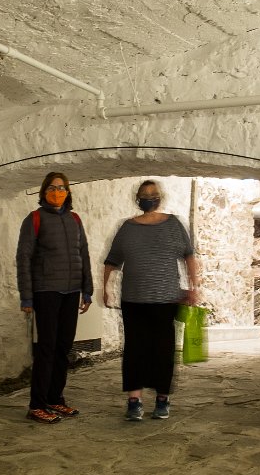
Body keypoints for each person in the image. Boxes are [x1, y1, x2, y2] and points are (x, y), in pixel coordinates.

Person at [102, 180, 200, 421]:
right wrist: (105, 288)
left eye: (152, 194)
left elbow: (189, 256)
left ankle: (162, 399)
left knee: (163, 350)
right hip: (133, 300)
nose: (149, 197)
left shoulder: (173, 225)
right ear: (138, 199)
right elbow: (112, 261)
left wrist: (193, 287)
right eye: (145, 194)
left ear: (159, 197)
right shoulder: (127, 228)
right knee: (135, 349)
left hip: (165, 300)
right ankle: (134, 401)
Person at [16, 172, 93, 424]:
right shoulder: (35, 219)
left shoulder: (75, 219)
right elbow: (23, 258)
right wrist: (27, 297)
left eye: (61, 188)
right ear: (43, 192)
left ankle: (55, 398)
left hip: (72, 291)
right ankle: (37, 405)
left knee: (63, 348)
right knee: (46, 349)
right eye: (52, 188)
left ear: (68, 192)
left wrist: (87, 290)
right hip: (46, 291)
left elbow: (84, 254)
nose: (57, 192)